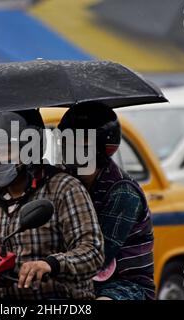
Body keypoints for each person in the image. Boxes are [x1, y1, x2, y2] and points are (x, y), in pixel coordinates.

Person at [0, 109, 104, 300]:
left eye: (6, 150)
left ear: (31, 149)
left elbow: (93, 252)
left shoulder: (64, 189)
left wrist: (51, 264)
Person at [57, 102, 155, 300]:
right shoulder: (64, 180)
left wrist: (51, 263)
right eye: (67, 141)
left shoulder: (123, 192)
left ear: (103, 147)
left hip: (123, 285)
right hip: (74, 280)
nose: (72, 149)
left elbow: (99, 255)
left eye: (82, 142)